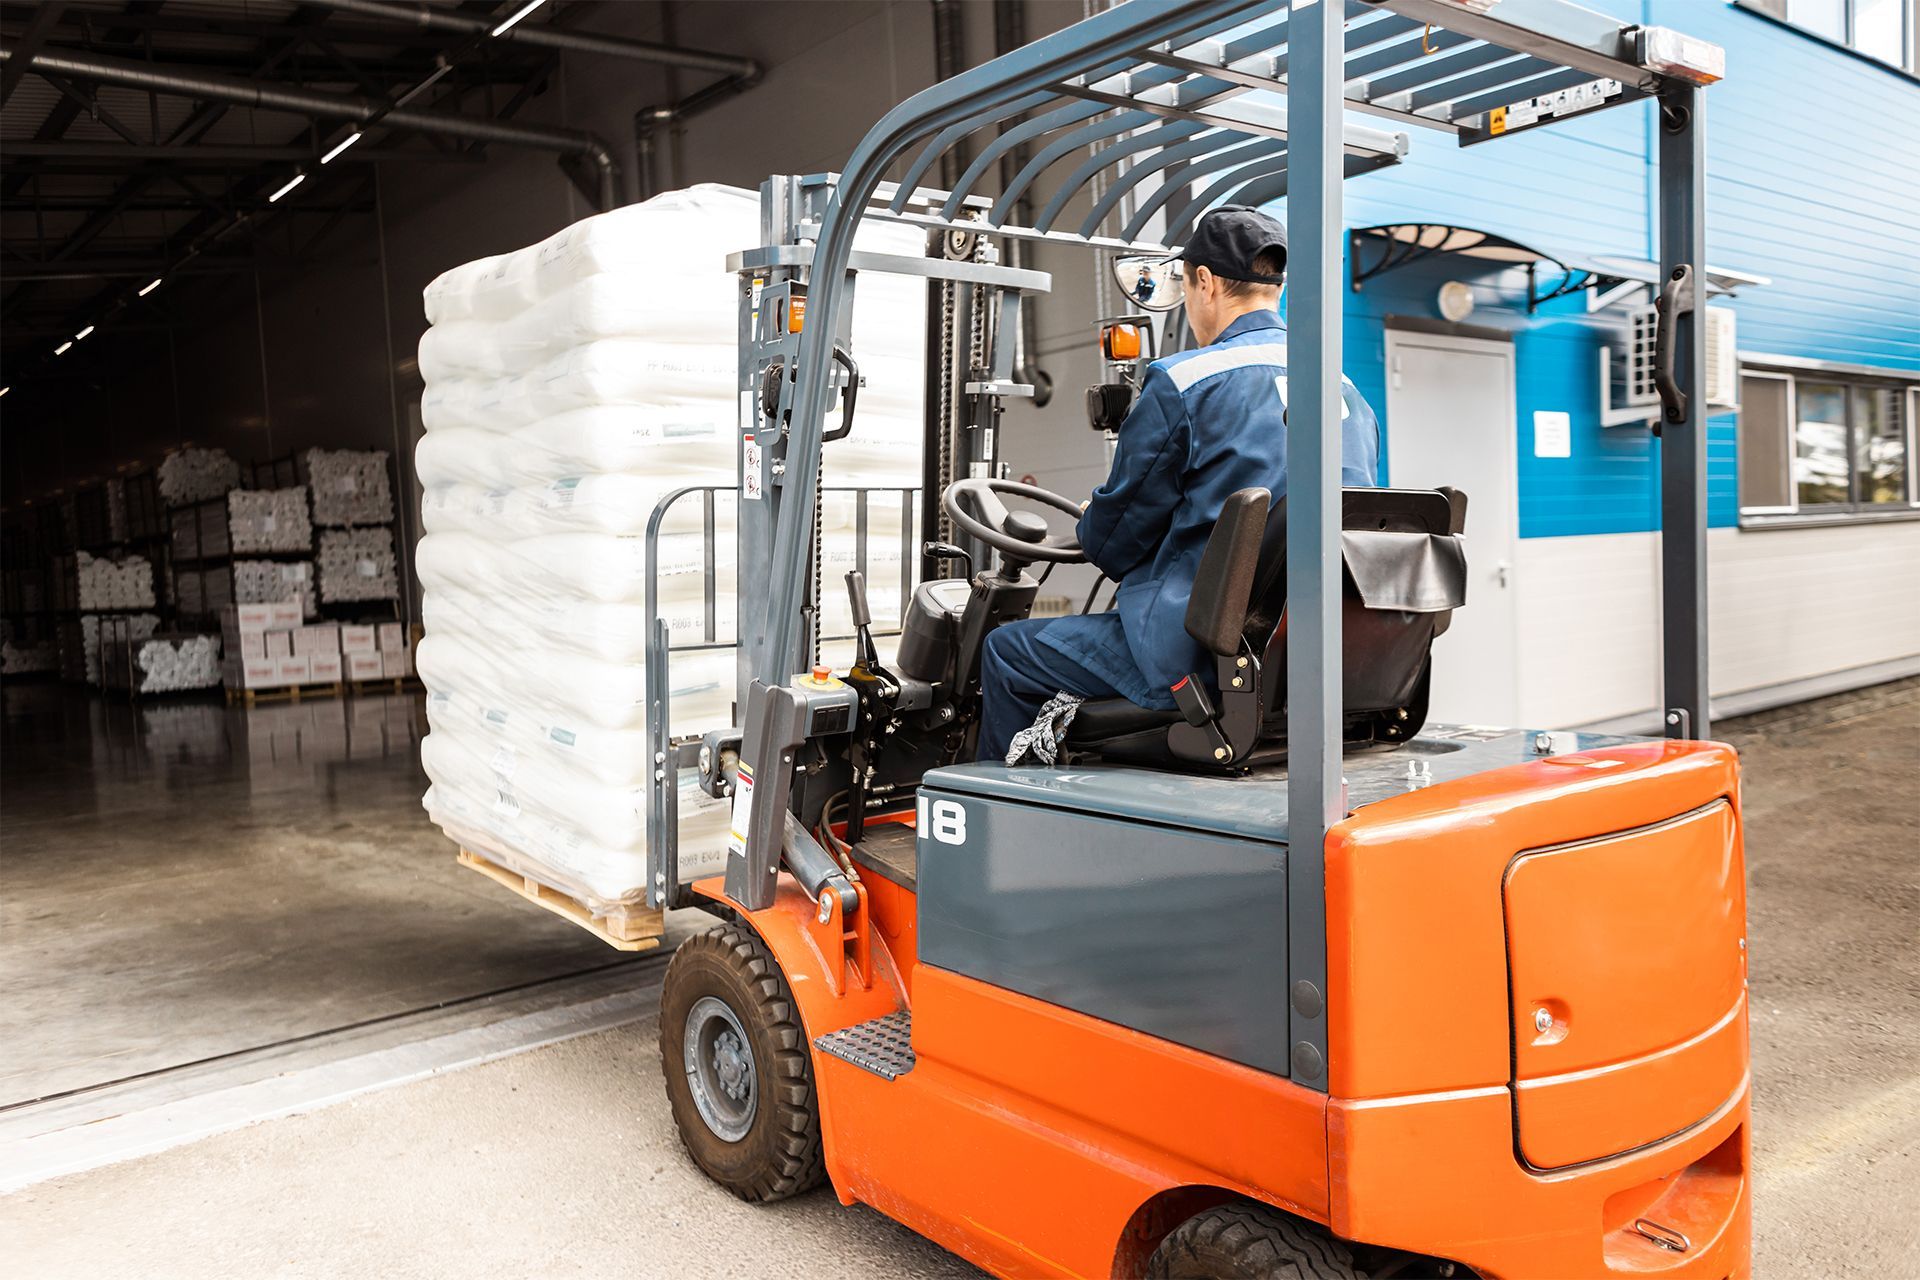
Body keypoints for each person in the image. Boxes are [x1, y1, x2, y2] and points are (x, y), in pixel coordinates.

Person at [977, 206, 1381, 762]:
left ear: (1206, 283)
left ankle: (993, 831)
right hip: (1316, 657)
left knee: (1005, 650)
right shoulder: (1345, 389)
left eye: (1187, 285)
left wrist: (1096, 519)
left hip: (1196, 655)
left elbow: (1113, 543)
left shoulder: (1185, 381)